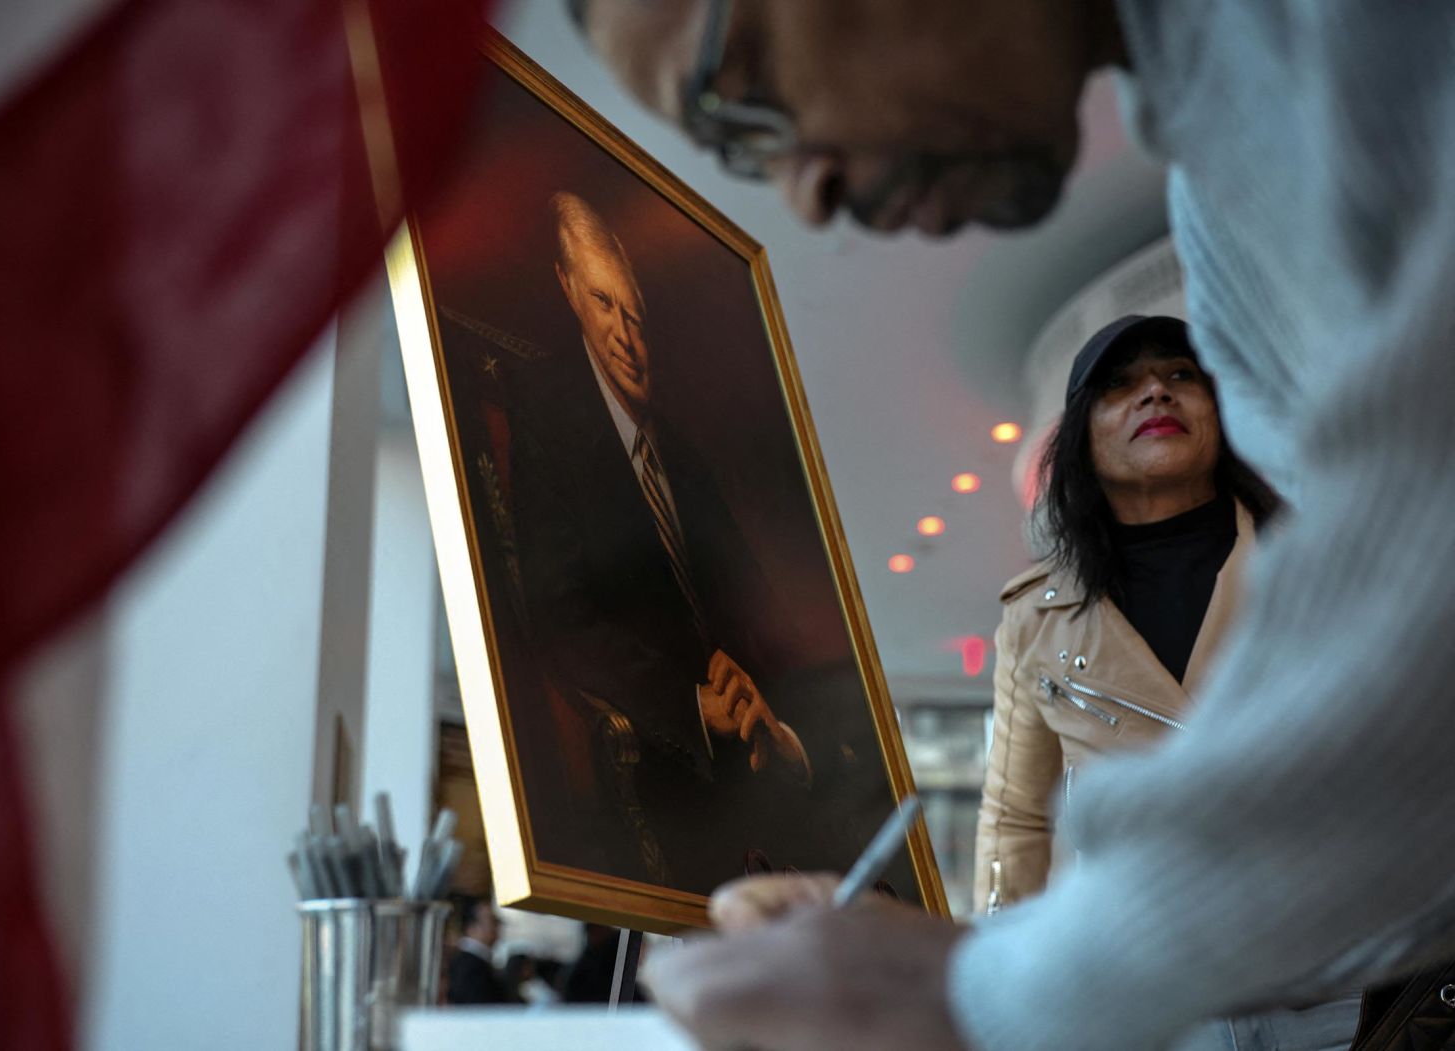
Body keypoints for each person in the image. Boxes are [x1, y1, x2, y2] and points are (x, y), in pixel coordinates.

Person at [565, 3, 1455, 1050]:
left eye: (741, 89)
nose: (805, 192)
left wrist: (1001, 983)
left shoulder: (1336, 40)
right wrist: (1000, 949)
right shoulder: (1218, 210)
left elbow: (1421, 634)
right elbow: (1022, 812)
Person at [976, 316, 1361, 1049]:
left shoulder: (1323, 561)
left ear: (1221, 412)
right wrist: (1003, 989)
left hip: (1331, 976)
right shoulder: (1037, 616)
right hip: (1157, 997)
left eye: (1182, 375)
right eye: (1120, 384)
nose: (1156, 390)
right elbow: (1017, 818)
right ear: (1082, 436)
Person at [506, 191, 815, 892]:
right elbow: (559, 618)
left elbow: (757, 612)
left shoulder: (687, 460)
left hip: (757, 787)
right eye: (604, 303)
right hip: (655, 777)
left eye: (636, 314)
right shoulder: (544, 416)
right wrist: (690, 704)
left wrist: (769, 714)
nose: (626, 335)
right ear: (567, 290)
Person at [445, 897, 516, 1005]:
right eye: (492, 922)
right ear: (471, 927)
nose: (497, 928)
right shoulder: (470, 966)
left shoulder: (472, 962)